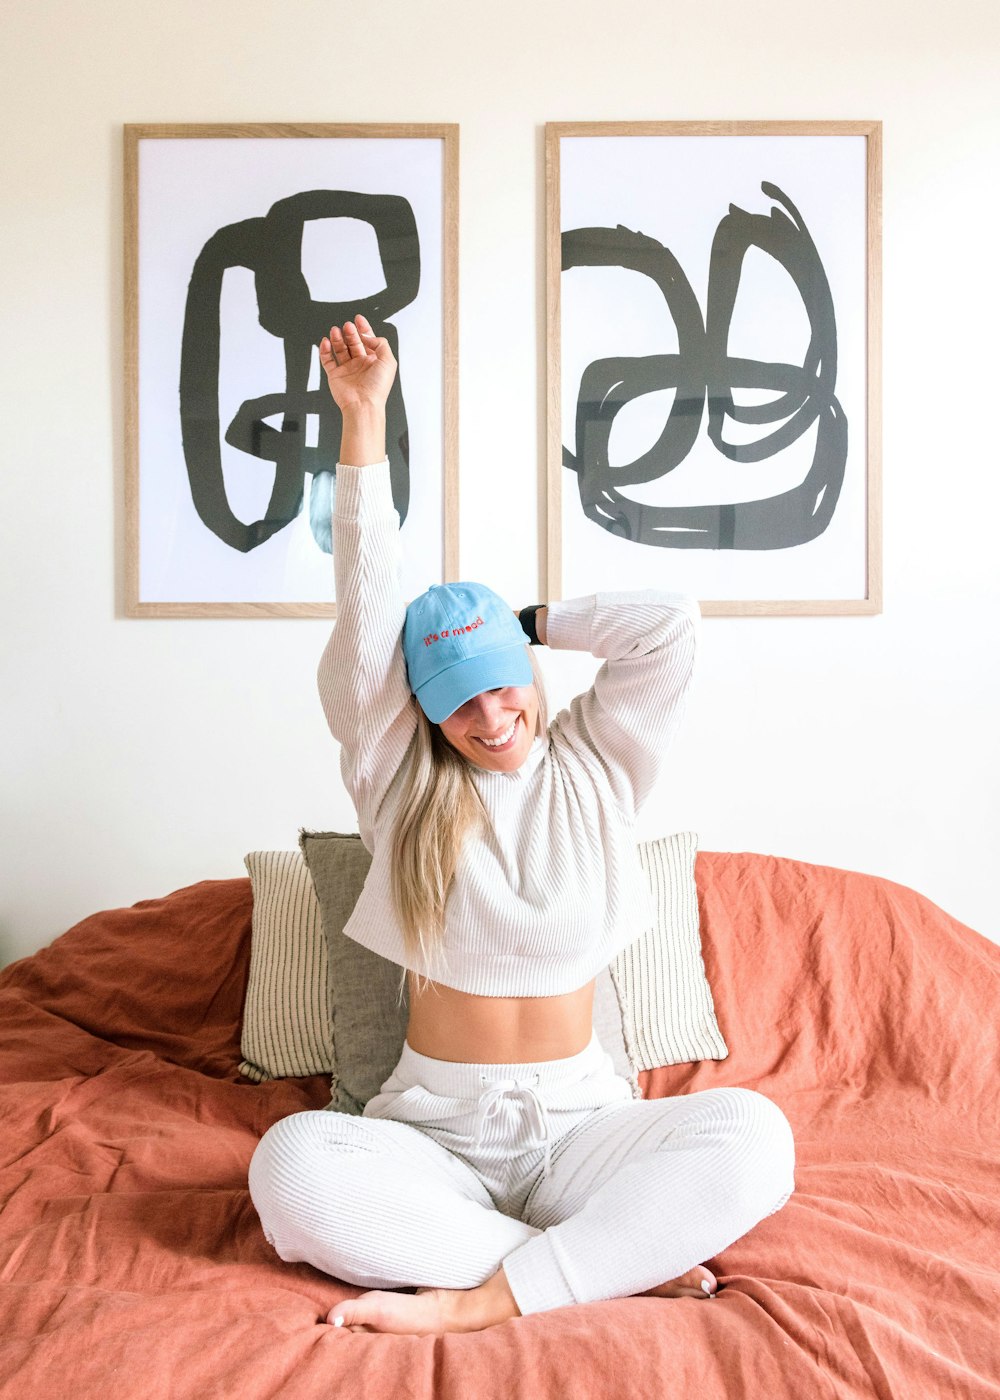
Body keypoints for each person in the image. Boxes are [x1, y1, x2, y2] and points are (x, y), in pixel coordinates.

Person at [248, 313, 795, 1337]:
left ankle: (489, 1293)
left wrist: (521, 619)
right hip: (434, 1135)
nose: (491, 718)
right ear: (418, 710)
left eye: (503, 685)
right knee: (289, 1171)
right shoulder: (399, 785)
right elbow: (368, 604)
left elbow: (667, 625)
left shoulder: (599, 762)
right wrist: (361, 421)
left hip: (584, 1130)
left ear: (528, 672)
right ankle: (596, 1263)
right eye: (457, 700)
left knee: (757, 1135)